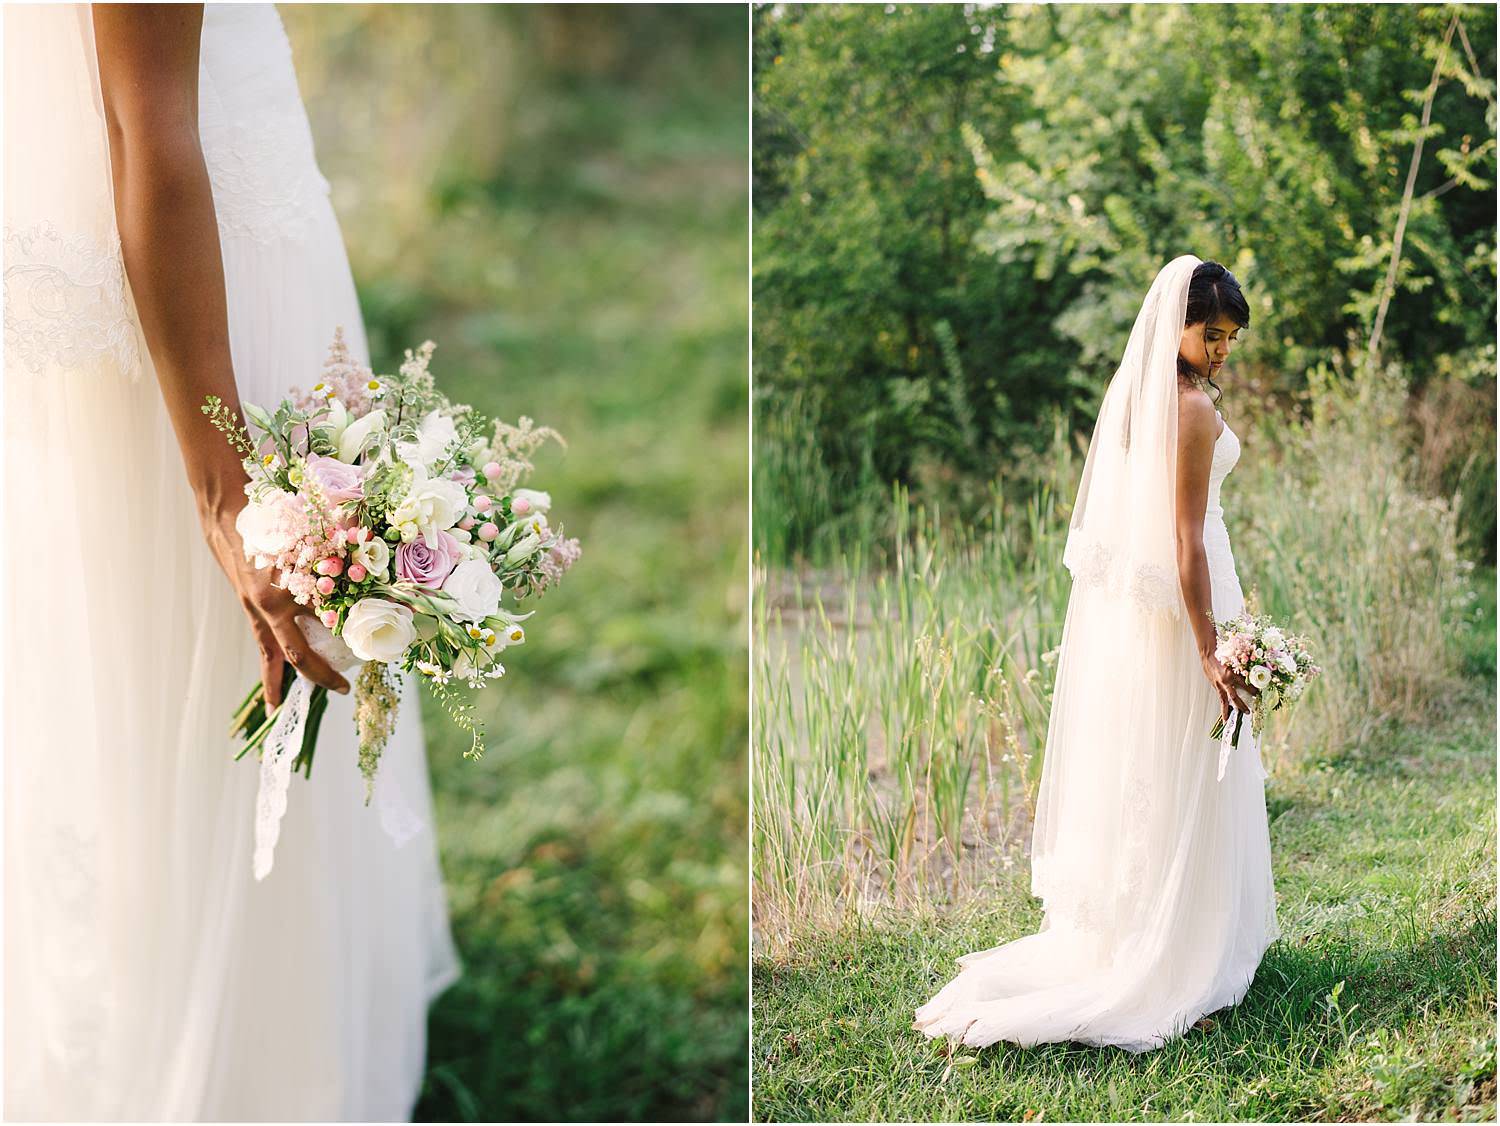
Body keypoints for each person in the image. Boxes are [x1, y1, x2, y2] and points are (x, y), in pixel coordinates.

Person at [4, 5, 459, 1117]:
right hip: (201, 293)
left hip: (204, 228)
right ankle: (243, 1073)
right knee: (212, 671)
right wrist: (223, 483)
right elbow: (145, 122)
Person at [913, 255, 1280, 1052]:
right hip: (1187, 606)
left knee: (1158, 768)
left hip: (1150, 609)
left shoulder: (1138, 398)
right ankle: (1176, 957)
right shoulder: (1189, 413)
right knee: (1186, 768)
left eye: (1230, 338)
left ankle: (1157, 933)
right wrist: (1212, 647)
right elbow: (1186, 539)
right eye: (1210, 334)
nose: (1221, 350)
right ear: (1174, 326)